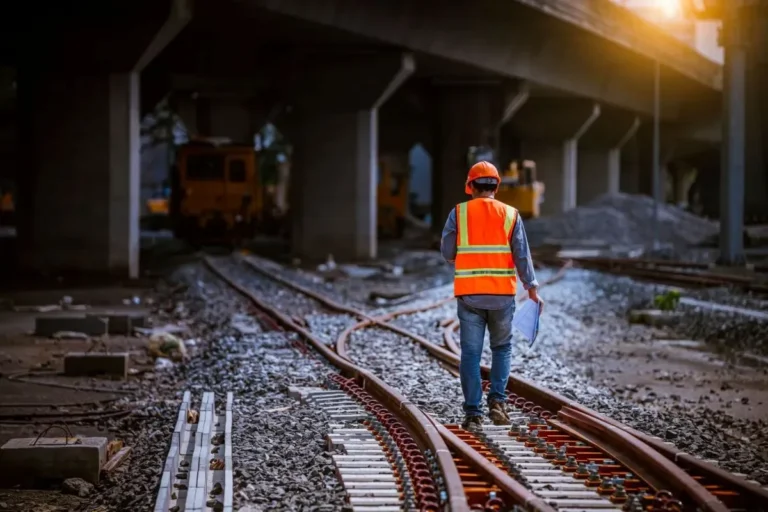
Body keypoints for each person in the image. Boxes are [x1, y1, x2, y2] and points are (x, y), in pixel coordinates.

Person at [440, 161, 543, 429]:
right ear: (496, 186)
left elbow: (447, 252)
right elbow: (522, 255)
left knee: (471, 355)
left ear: (470, 186)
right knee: (501, 348)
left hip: (470, 296)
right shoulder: (511, 215)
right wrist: (531, 289)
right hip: (501, 297)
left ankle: (473, 413)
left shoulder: (458, 213)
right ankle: (498, 402)